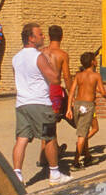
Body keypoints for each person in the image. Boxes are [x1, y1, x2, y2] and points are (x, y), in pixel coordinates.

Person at [11, 22, 67, 185]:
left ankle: (17, 175)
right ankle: (55, 173)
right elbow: (55, 78)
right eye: (40, 34)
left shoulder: (16, 58)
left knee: (21, 139)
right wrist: (52, 64)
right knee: (49, 137)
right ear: (31, 38)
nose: (43, 37)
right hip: (40, 103)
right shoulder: (38, 56)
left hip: (22, 103)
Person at [70, 51, 106, 170]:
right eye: (95, 59)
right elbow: (103, 92)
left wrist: (68, 107)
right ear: (92, 62)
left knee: (84, 129)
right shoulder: (96, 75)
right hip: (88, 106)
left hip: (77, 104)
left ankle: (87, 157)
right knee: (82, 134)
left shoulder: (78, 75)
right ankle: (75, 162)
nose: (96, 61)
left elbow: (72, 91)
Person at [42, 24, 72, 124]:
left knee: (44, 124)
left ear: (49, 36)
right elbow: (67, 78)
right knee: (51, 124)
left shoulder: (41, 52)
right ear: (62, 37)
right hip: (54, 90)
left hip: (41, 89)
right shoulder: (62, 55)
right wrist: (72, 95)